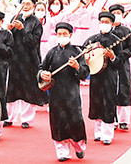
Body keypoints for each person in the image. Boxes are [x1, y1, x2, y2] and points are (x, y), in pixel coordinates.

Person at [38, 22, 88, 162]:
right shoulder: (52, 52)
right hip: (55, 95)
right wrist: (43, 74)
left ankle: (79, 146)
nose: (61, 36)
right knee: (58, 122)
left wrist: (77, 66)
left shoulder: (77, 52)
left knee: (75, 121)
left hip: (72, 94)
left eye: (64, 34)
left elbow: (85, 73)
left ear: (70, 35)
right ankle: (62, 151)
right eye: (59, 34)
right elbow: (41, 67)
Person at [6, 0, 47, 128]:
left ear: (33, 6)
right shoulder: (15, 17)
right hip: (14, 59)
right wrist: (9, 31)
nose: (25, 6)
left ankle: (27, 119)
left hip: (29, 60)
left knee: (28, 89)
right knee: (12, 89)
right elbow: (8, 40)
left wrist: (23, 30)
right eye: (23, 3)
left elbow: (34, 42)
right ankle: (9, 117)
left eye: (28, 4)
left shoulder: (36, 22)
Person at [83, 11, 122, 145]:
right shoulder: (92, 39)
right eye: (102, 22)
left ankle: (107, 133)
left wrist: (112, 57)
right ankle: (98, 131)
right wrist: (87, 57)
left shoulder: (116, 40)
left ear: (111, 24)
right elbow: (83, 53)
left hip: (109, 75)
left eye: (107, 22)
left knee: (108, 101)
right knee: (96, 101)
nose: (104, 24)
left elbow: (119, 61)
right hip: (96, 75)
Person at [108, 4, 131, 130]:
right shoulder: (106, 32)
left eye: (118, 12)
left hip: (122, 64)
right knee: (110, 91)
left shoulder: (126, 31)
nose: (116, 15)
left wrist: (119, 56)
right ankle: (111, 119)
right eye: (113, 13)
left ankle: (123, 120)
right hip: (109, 65)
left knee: (123, 90)